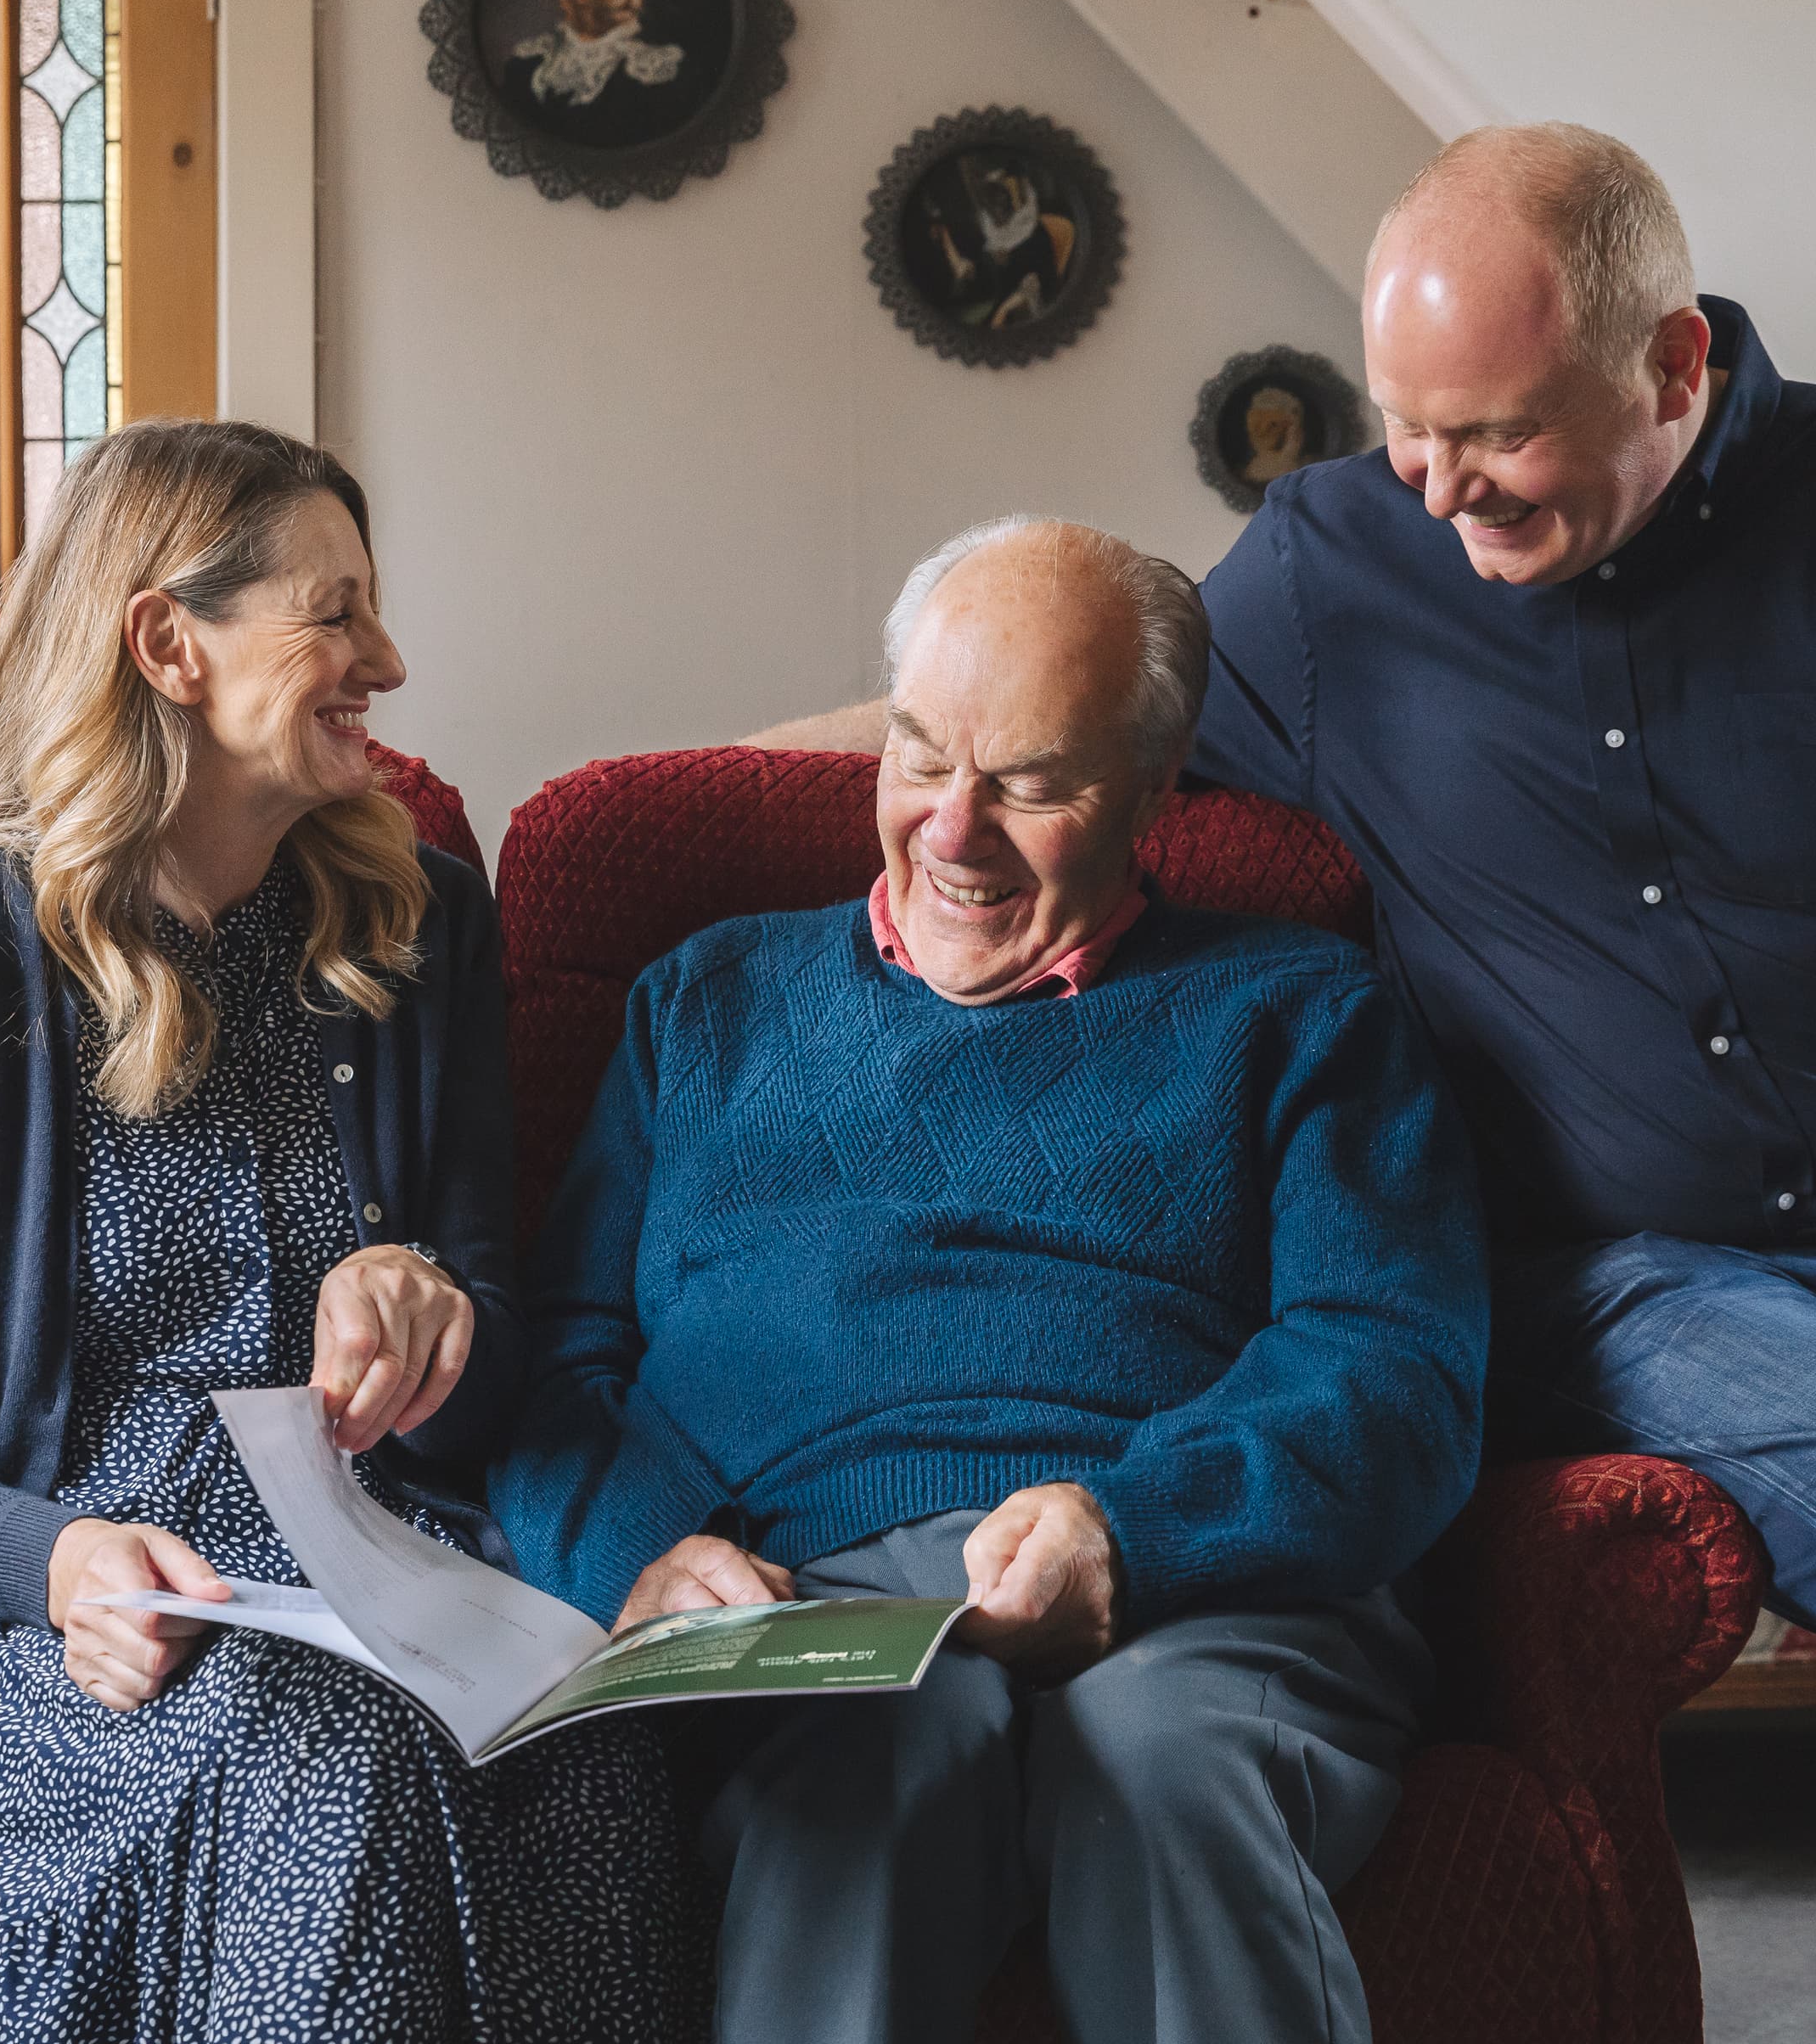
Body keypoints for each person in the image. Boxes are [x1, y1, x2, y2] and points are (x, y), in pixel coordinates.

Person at [751, 125, 1816, 2043]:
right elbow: (1041, 707)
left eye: (1498, 436)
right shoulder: (1342, 567)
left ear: (1675, 366)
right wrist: (653, 791)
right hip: (1627, 1276)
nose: (1435, 487)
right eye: (1404, 426)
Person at [0, 420, 700, 2042]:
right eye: (336, 613)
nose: (385, 657)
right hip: (40, 1592)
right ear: (169, 641)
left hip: (373, 1566)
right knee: (329, 1760)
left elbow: (505, 1350)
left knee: (593, 1756)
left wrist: (436, 1314)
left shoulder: (421, 921)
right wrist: (60, 1564)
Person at [496, 518, 1489, 2044]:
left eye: (1030, 784)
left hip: (1205, 1587)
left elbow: (1394, 1373)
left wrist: (1137, 1527)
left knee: (1160, 1758)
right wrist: (641, 1553)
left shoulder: (1304, 1016)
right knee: (876, 1756)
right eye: (919, 756)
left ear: (1158, 793)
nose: (953, 829)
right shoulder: (705, 1002)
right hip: (803, 1591)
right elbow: (556, 1360)